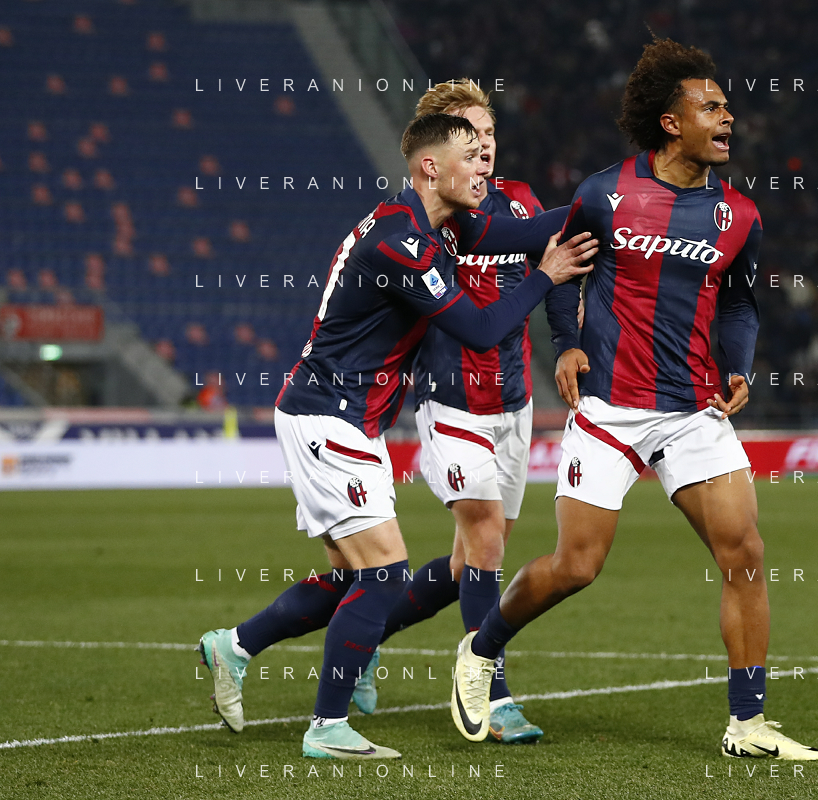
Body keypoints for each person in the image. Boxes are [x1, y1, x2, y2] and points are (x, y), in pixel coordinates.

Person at [449, 39, 818, 761]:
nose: (727, 116)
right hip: (611, 409)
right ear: (670, 122)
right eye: (710, 106)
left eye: (726, 106)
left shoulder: (738, 215)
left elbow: (739, 304)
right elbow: (558, 264)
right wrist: (568, 344)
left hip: (693, 412)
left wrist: (738, 366)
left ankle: (747, 724)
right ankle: (482, 648)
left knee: (745, 553)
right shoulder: (604, 193)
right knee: (576, 566)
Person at [196, 113, 597, 760]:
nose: (483, 165)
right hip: (329, 413)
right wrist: (544, 277)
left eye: (486, 148)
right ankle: (327, 727)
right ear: (431, 168)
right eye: (469, 154)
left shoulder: (437, 223)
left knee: (350, 579)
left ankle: (235, 647)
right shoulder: (401, 243)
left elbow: (524, 230)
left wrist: (611, 203)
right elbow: (480, 329)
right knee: (384, 573)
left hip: (348, 416)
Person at [352, 79, 547, 744]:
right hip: (451, 399)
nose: (483, 146)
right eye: (469, 136)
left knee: (472, 564)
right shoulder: (429, 220)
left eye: (489, 133)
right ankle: (491, 692)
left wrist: (571, 342)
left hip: (513, 403)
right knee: (486, 538)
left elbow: (556, 272)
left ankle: (365, 636)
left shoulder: (520, 203)